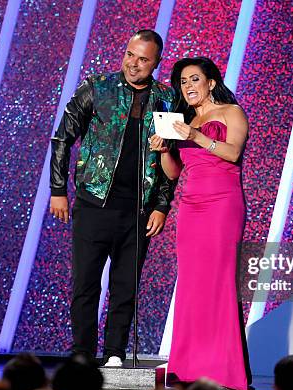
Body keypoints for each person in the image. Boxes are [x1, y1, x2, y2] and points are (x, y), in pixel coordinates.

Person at [49, 29, 176, 367]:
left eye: (143, 59)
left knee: (125, 286)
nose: (134, 63)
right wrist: (58, 190)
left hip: (139, 209)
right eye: (130, 54)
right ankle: (81, 352)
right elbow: (62, 138)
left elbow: (171, 158)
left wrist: (162, 205)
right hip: (94, 202)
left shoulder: (167, 98)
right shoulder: (97, 87)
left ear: (156, 62)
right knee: (86, 282)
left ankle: (115, 352)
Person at [150, 56, 250, 390]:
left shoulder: (231, 111)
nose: (188, 87)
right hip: (190, 207)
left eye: (195, 79)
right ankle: (188, 364)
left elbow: (233, 152)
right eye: (183, 82)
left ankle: (222, 369)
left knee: (218, 282)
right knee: (193, 284)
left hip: (222, 204)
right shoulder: (185, 120)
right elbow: (174, 173)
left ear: (210, 82)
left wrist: (196, 136)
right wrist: (164, 150)